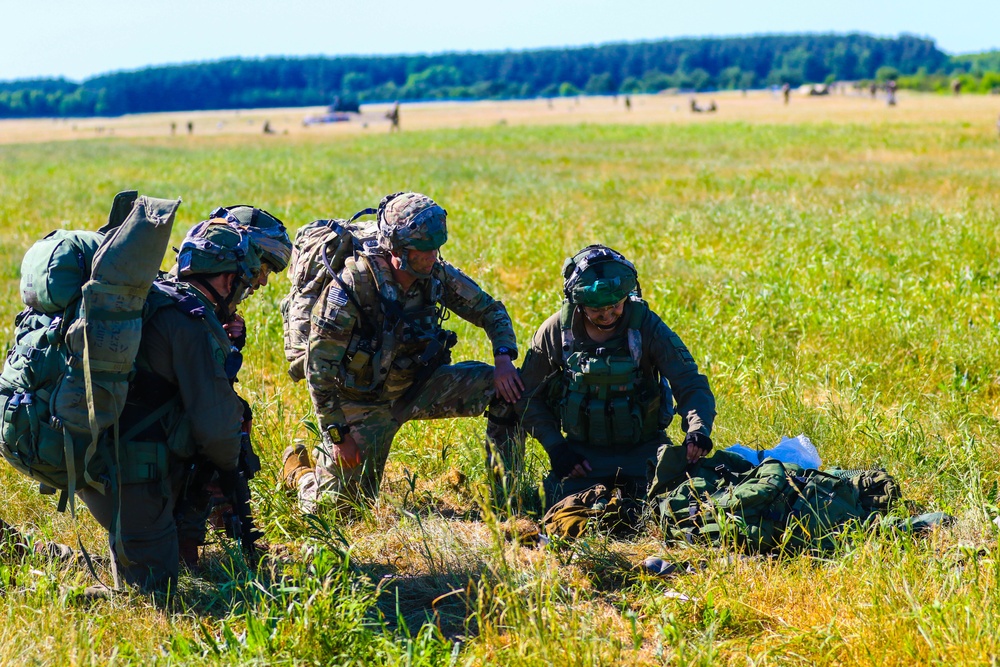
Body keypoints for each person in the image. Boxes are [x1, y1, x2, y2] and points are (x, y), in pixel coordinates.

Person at [282, 192, 524, 511]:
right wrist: (339, 436)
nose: (432, 256)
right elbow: (318, 371)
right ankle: (299, 474)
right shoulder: (351, 287)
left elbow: (490, 310)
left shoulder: (434, 271)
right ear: (395, 249)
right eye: (422, 250)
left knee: (510, 391)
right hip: (360, 402)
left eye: (435, 248)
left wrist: (503, 358)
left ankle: (510, 500)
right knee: (338, 512)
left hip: (416, 387)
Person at [78, 218, 267, 592]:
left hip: (97, 454)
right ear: (228, 280)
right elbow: (217, 430)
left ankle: (156, 542)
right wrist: (229, 474)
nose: (244, 292)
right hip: (130, 473)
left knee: (167, 562)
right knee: (153, 591)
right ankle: (36, 551)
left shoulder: (161, 296)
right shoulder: (191, 323)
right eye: (243, 284)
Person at [517, 245, 716, 506]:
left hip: (645, 451)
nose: (608, 315)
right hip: (582, 459)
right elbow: (527, 396)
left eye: (615, 306)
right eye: (596, 310)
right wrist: (557, 448)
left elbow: (690, 383)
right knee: (555, 507)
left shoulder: (646, 326)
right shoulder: (556, 331)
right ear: (578, 303)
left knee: (677, 504)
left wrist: (697, 431)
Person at [172, 205, 292, 569]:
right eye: (260, 268)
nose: (261, 281)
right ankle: (198, 525)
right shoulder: (187, 306)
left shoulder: (208, 295)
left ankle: (222, 517)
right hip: (150, 438)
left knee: (232, 421)